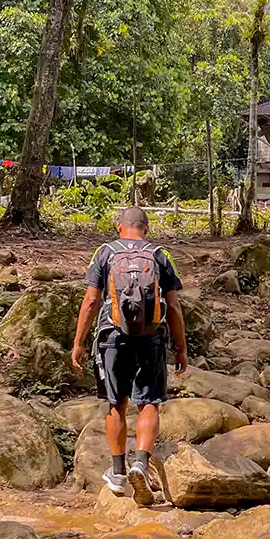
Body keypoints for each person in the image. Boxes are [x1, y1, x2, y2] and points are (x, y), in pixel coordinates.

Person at [72, 206, 188, 505]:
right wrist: (181, 346)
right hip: (151, 336)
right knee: (149, 403)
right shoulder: (161, 254)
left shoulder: (105, 252)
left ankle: (118, 471)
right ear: (146, 229)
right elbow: (173, 306)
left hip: (112, 335)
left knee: (116, 404)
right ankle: (141, 462)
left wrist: (79, 342)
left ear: (119, 227)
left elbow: (91, 300)